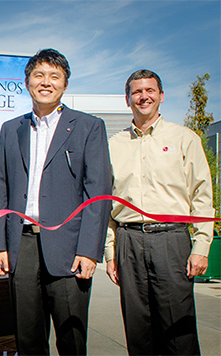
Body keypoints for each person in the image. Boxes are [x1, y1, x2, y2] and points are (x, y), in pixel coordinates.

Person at [0, 48, 112, 355]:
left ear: (65, 85)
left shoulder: (88, 127)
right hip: (22, 245)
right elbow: (0, 188)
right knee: (28, 338)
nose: (46, 82)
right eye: (39, 75)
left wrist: (89, 250)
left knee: (71, 339)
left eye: (54, 76)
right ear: (27, 81)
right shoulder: (11, 129)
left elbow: (98, 194)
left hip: (69, 249)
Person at [105, 69, 212, 355]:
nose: (144, 96)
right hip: (128, 243)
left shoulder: (185, 138)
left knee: (178, 330)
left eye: (150, 90)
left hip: (171, 241)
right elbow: (107, 207)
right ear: (127, 99)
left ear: (161, 96)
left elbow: (202, 196)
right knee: (138, 332)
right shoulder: (113, 146)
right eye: (137, 91)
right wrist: (111, 252)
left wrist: (202, 245)